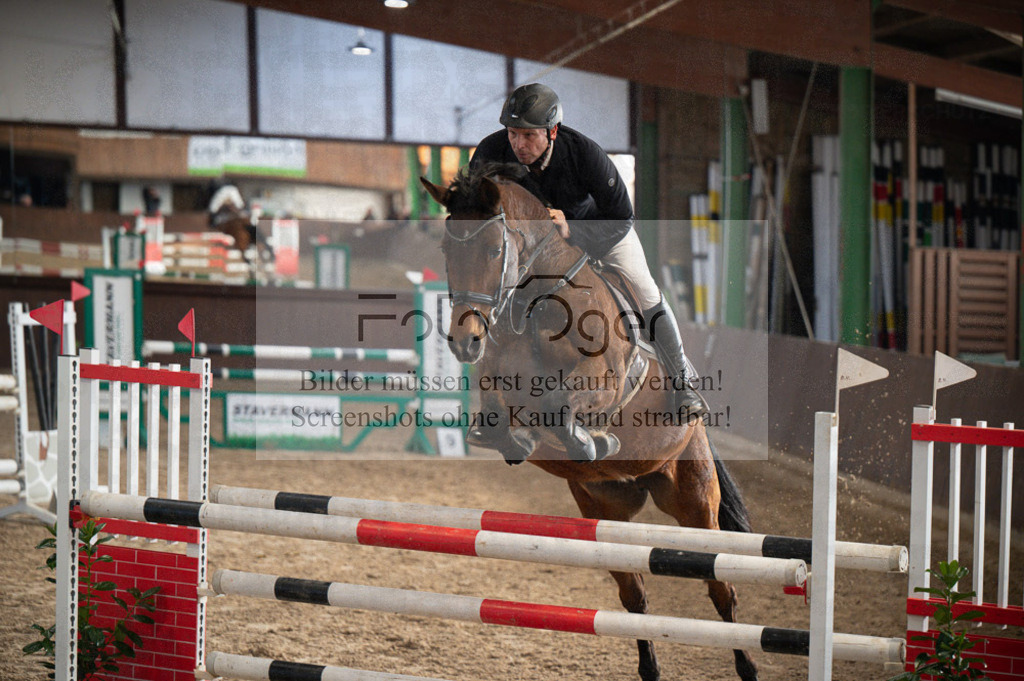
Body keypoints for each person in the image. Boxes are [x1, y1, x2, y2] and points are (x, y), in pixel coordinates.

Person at [470, 82, 706, 418]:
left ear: (552, 132)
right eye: (512, 133)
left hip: (601, 232)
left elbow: (622, 217)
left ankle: (682, 386)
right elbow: (473, 205)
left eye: (528, 135)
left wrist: (573, 230)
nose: (518, 144)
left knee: (646, 290)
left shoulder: (585, 154)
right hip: (532, 249)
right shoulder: (490, 153)